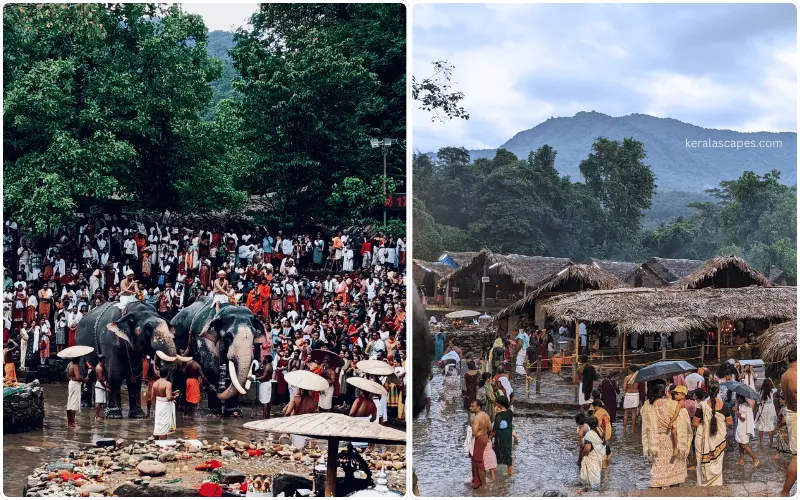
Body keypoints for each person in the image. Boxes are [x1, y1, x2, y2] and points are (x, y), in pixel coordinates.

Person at [641, 384, 689, 488]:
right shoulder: (670, 404)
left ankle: (656, 485)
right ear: (664, 392)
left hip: (655, 440)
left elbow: (644, 421)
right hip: (668, 438)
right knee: (673, 465)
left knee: (658, 464)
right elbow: (677, 422)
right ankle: (673, 487)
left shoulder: (646, 405)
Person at [693, 379, 732, 486]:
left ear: (708, 391)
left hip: (705, 443)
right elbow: (729, 422)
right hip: (719, 441)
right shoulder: (724, 406)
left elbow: (695, 423)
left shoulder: (702, 405)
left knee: (704, 466)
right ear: (719, 390)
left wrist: (705, 425)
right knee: (718, 466)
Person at [780, 350, 797, 497]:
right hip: (796, 414)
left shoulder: (784, 375)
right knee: (797, 457)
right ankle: (785, 492)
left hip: (791, 412)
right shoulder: (795, 375)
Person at [578, 415, 606, 494]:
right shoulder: (601, 429)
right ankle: (593, 489)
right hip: (598, 456)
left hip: (592, 456)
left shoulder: (590, 434)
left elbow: (587, 448)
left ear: (589, 425)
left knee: (590, 473)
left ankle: (592, 491)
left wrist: (582, 455)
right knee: (596, 473)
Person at [468, 399, 491, 489]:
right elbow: (490, 428)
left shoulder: (476, 417)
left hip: (479, 439)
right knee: (478, 460)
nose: (470, 407)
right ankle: (478, 481)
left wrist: (469, 434)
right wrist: (483, 431)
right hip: (485, 438)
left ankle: (484, 485)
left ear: (478, 407)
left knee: (478, 462)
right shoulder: (486, 415)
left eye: (472, 406)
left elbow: (474, 433)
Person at [733, 394, 759, 467]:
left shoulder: (744, 406)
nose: (737, 400)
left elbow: (743, 418)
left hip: (743, 428)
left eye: (737, 399)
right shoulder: (745, 405)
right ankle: (742, 460)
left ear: (740, 398)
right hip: (742, 427)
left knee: (744, 445)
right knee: (740, 444)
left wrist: (736, 412)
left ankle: (755, 459)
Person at [493, 395, 516, 477]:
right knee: (508, 451)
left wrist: (489, 438)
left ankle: (493, 473)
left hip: (501, 436)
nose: (495, 403)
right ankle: (510, 472)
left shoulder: (499, 415)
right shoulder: (510, 412)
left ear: (499, 404)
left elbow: (495, 428)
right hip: (508, 435)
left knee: (496, 451)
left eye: (497, 402)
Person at [152, 365, 178, 439]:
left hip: (158, 404)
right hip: (165, 406)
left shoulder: (155, 383)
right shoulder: (167, 383)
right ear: (168, 374)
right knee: (164, 426)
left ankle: (155, 443)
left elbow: (152, 397)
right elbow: (168, 397)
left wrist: (154, 407)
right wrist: (174, 397)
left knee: (158, 424)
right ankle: (163, 445)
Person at [755, 378, 777, 450]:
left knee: (761, 426)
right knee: (770, 426)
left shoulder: (760, 392)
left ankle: (761, 443)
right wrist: (772, 382)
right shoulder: (772, 391)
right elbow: (776, 388)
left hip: (762, 409)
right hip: (770, 410)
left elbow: (758, 402)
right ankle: (771, 444)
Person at [66, 357, 87, 429]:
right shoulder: (75, 365)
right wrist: (84, 380)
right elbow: (78, 377)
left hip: (71, 383)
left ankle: (69, 423)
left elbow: (68, 375)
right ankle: (73, 424)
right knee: (74, 404)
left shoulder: (69, 364)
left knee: (69, 403)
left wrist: (73, 377)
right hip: (75, 384)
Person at [623, 366, 640, 431]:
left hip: (628, 395)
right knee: (633, 413)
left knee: (626, 412)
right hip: (635, 395)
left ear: (630, 370)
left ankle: (624, 429)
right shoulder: (638, 378)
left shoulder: (627, 378)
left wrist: (627, 385)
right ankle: (632, 429)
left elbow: (624, 388)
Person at [94, 355, 110, 420]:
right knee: (98, 401)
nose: (105, 361)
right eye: (104, 359)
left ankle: (98, 415)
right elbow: (100, 379)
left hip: (102, 384)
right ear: (103, 360)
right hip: (100, 385)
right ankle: (97, 416)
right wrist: (105, 387)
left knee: (101, 401)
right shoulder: (99, 368)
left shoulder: (101, 366)